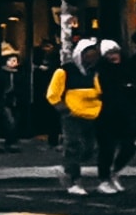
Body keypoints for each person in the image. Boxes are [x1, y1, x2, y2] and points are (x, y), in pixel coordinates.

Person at [49, 32, 115, 195]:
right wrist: (64, 109)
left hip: (92, 115)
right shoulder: (65, 71)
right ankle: (74, 180)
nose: (92, 59)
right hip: (73, 115)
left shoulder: (94, 72)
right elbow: (53, 93)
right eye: (89, 55)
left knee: (90, 148)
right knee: (73, 146)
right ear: (81, 54)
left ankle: (67, 168)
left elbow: (99, 90)